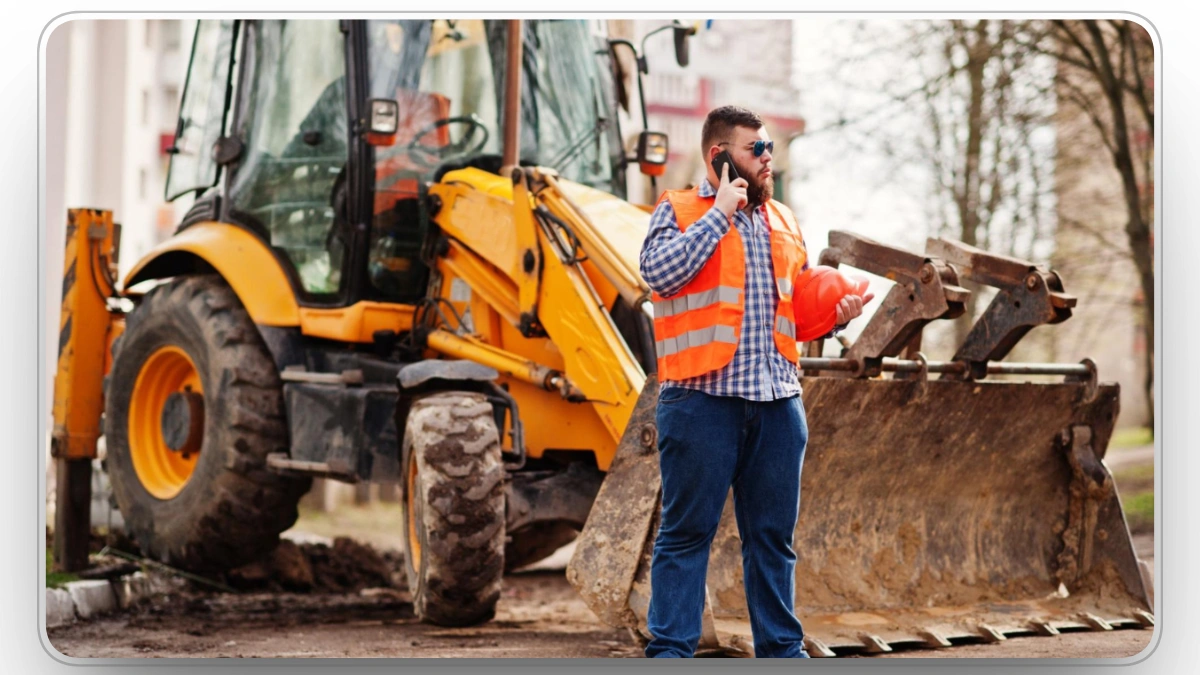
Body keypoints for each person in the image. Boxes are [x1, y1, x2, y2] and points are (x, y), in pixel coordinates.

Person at [638, 105, 872, 658]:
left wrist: (835, 314)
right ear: (719, 157)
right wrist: (719, 213)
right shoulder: (679, 210)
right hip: (701, 402)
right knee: (685, 536)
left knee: (772, 541)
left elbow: (788, 313)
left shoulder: (784, 220)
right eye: (755, 149)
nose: (768, 158)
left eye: (769, 148)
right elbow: (658, 277)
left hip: (776, 402)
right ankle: (670, 654)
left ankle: (782, 653)